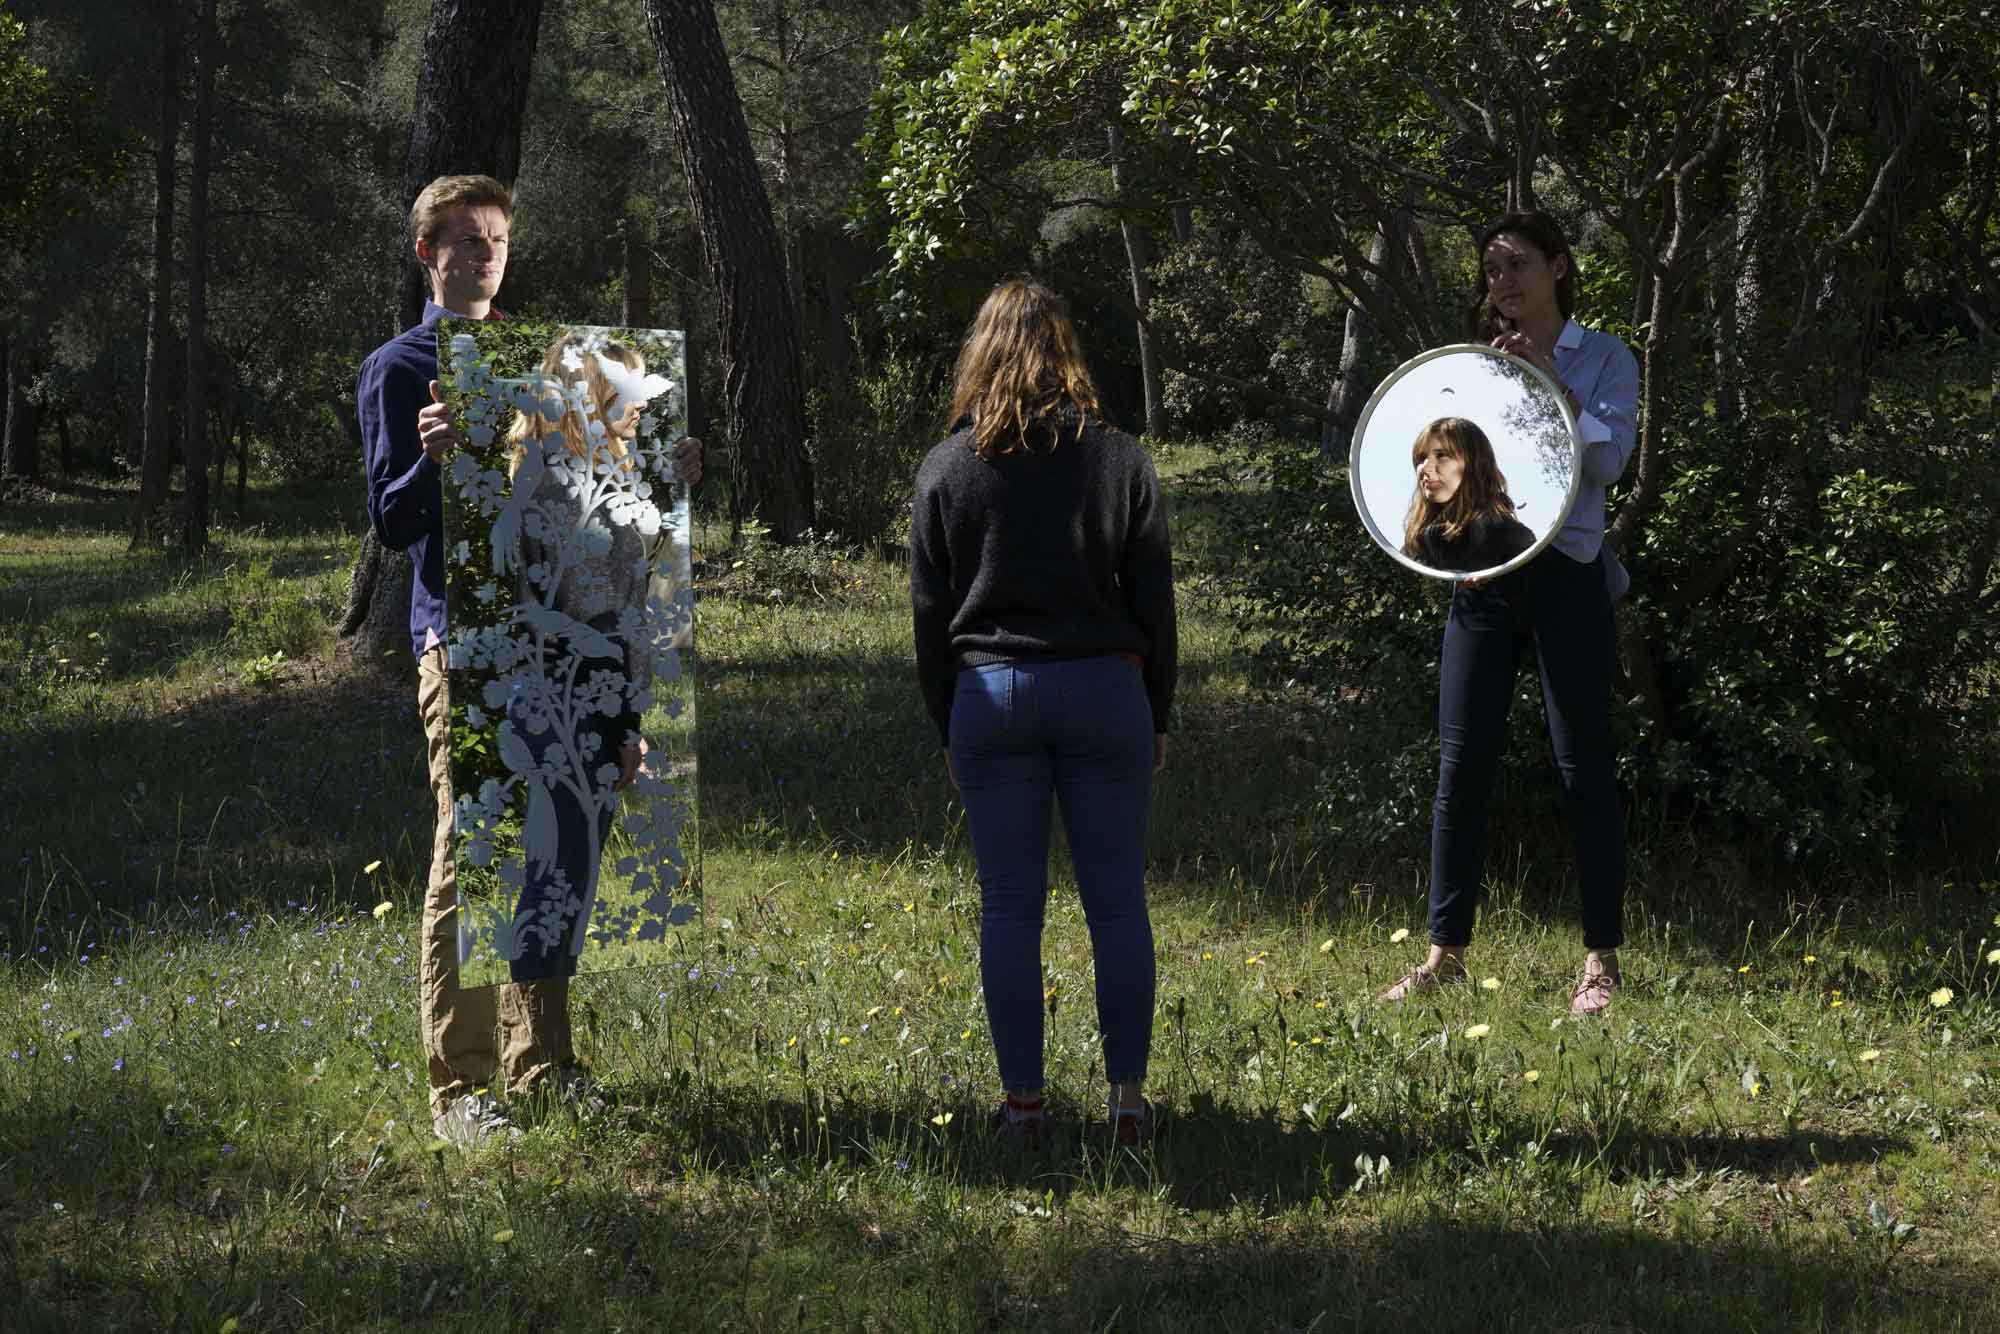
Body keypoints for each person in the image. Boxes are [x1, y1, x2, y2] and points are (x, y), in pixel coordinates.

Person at [359, 174, 700, 1145]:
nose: (484, 255)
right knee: (475, 854)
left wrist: (661, 471)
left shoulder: (552, 366)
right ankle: (459, 1089)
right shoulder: (398, 366)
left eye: (497, 240)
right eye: (466, 240)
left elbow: (593, 510)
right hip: (464, 646)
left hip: (563, 642)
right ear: (427, 253)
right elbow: (392, 521)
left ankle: (542, 1065)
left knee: (559, 850)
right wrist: (429, 457)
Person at [909, 277, 1177, 1145]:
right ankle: (1127, 1102)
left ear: (978, 355)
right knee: (1117, 903)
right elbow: (1155, 597)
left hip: (991, 695)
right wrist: (1158, 709)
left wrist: (945, 720)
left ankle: (1023, 1107)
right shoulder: (1120, 458)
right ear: (1068, 352)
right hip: (1106, 690)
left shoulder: (947, 466)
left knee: (1010, 908)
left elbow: (928, 612)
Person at [1379, 211, 1639, 1015]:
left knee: (1583, 767)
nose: (1503, 282)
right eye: (1492, 269)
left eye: (1518, 264)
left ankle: (1600, 962)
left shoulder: (1605, 357)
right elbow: (1452, 477)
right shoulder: (1477, 368)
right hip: (1485, 583)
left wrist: (1552, 381)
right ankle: (1443, 956)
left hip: (1569, 577)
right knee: (1461, 768)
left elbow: (1609, 462)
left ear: (1558, 267)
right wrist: (1443, 548)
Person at [498, 333, 669, 982]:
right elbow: (600, 626)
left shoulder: (553, 476)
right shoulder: (576, 493)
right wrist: (623, 730)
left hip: (552, 704)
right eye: (630, 388)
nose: (643, 402)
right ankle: (535, 1037)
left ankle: (538, 1034)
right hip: (575, 711)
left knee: (559, 885)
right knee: (558, 891)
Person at [1402, 417, 1536, 573]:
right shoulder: (1414, 546)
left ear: (1474, 464)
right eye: (1421, 458)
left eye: (1442, 455)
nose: (1425, 468)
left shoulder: (1513, 538)